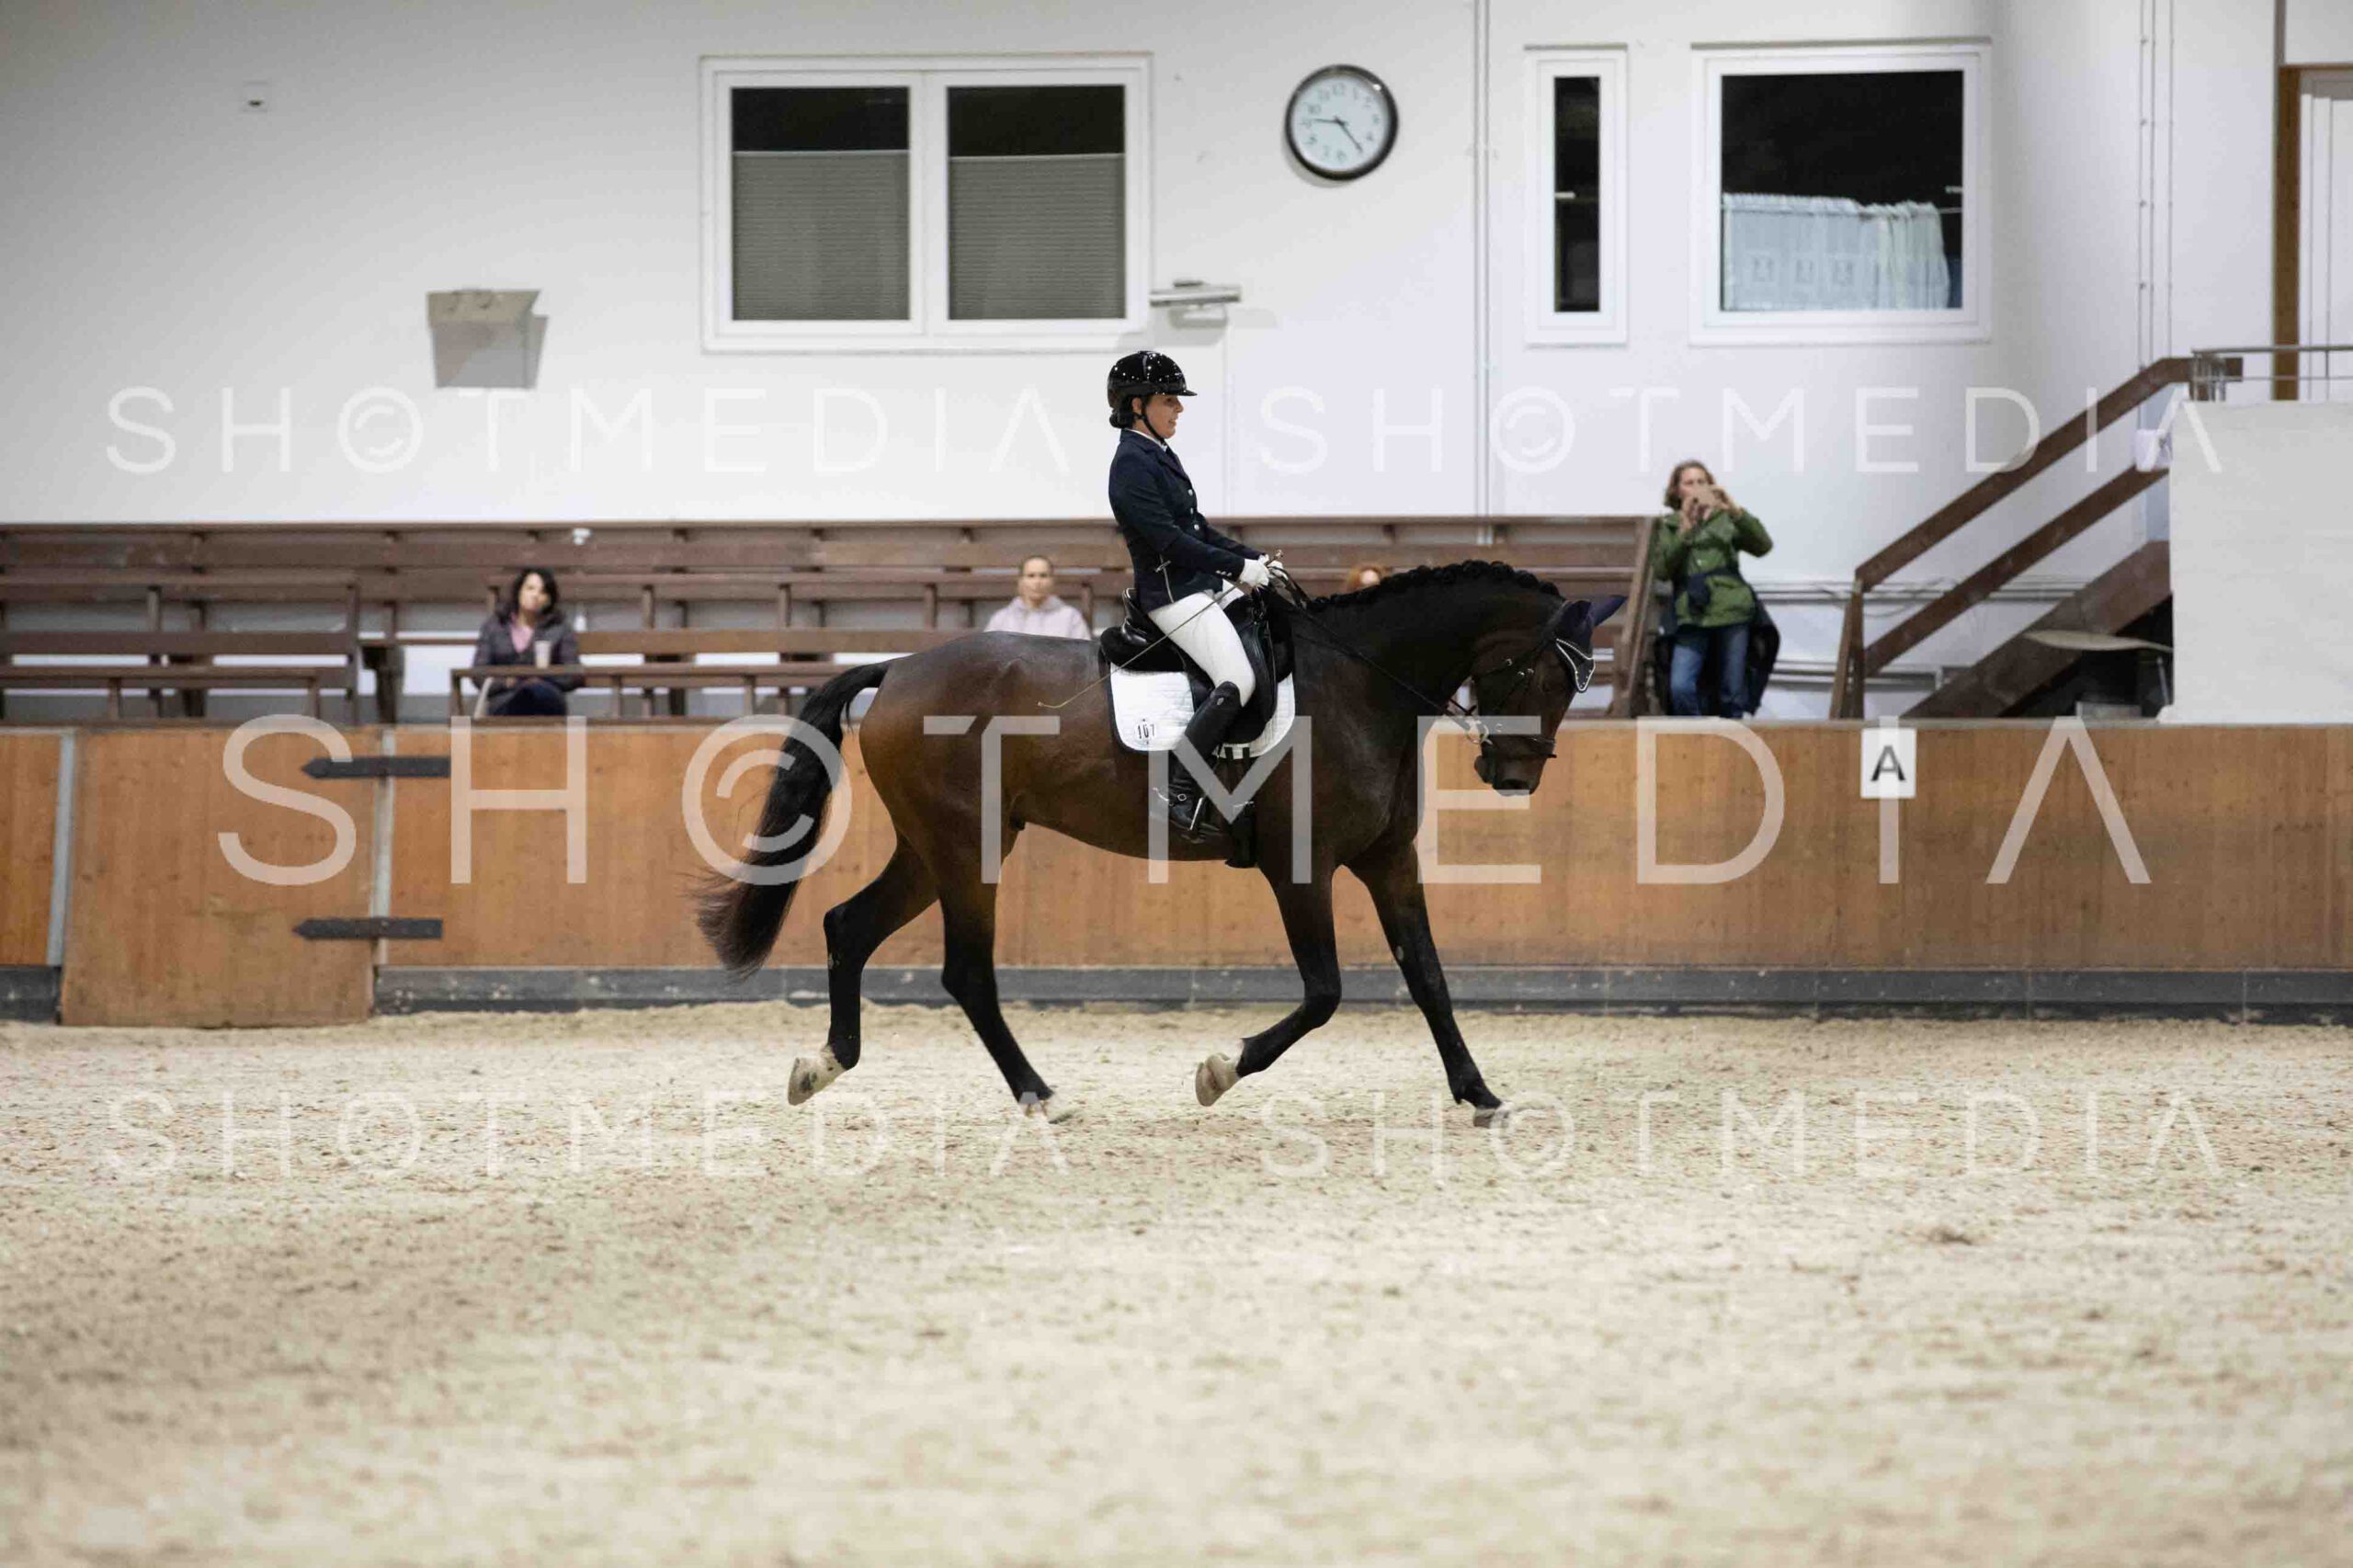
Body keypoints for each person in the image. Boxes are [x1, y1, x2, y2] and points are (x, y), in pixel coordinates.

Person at [1105, 349, 1283, 843]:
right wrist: (1238, 569)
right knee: (1238, 678)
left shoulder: (1158, 453)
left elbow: (1197, 528)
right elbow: (1170, 541)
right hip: (1170, 595)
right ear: (1137, 405)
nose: (1178, 409)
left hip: (1198, 585)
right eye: (1169, 400)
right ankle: (1177, 789)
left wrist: (1254, 558)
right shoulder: (1130, 464)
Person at [1654, 460, 1773, 718]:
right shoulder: (1670, 525)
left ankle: (1730, 739)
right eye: (1689, 483)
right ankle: (1699, 734)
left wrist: (1735, 510)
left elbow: (1763, 546)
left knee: (1732, 692)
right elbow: (1662, 570)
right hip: (1692, 612)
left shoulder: (1726, 519)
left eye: (1702, 482)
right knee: (1680, 687)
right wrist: (1686, 529)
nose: (1697, 487)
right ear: (1677, 491)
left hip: (1732, 608)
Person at [468, 567, 581, 718]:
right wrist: (507, 682)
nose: (535, 595)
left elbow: (573, 675)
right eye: (530, 588)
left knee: (537, 693)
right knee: (522, 698)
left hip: (547, 697)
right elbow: (478, 673)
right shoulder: (495, 626)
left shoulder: (560, 628)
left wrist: (544, 679)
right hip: (505, 699)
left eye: (543, 592)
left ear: (549, 600)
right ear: (519, 591)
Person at [984, 554, 1092, 640]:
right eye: (1031, 576)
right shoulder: (1001, 619)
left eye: (1043, 576)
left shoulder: (1070, 617)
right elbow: (987, 655)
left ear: (1052, 580)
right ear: (1021, 581)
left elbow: (1085, 655)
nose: (1037, 582)